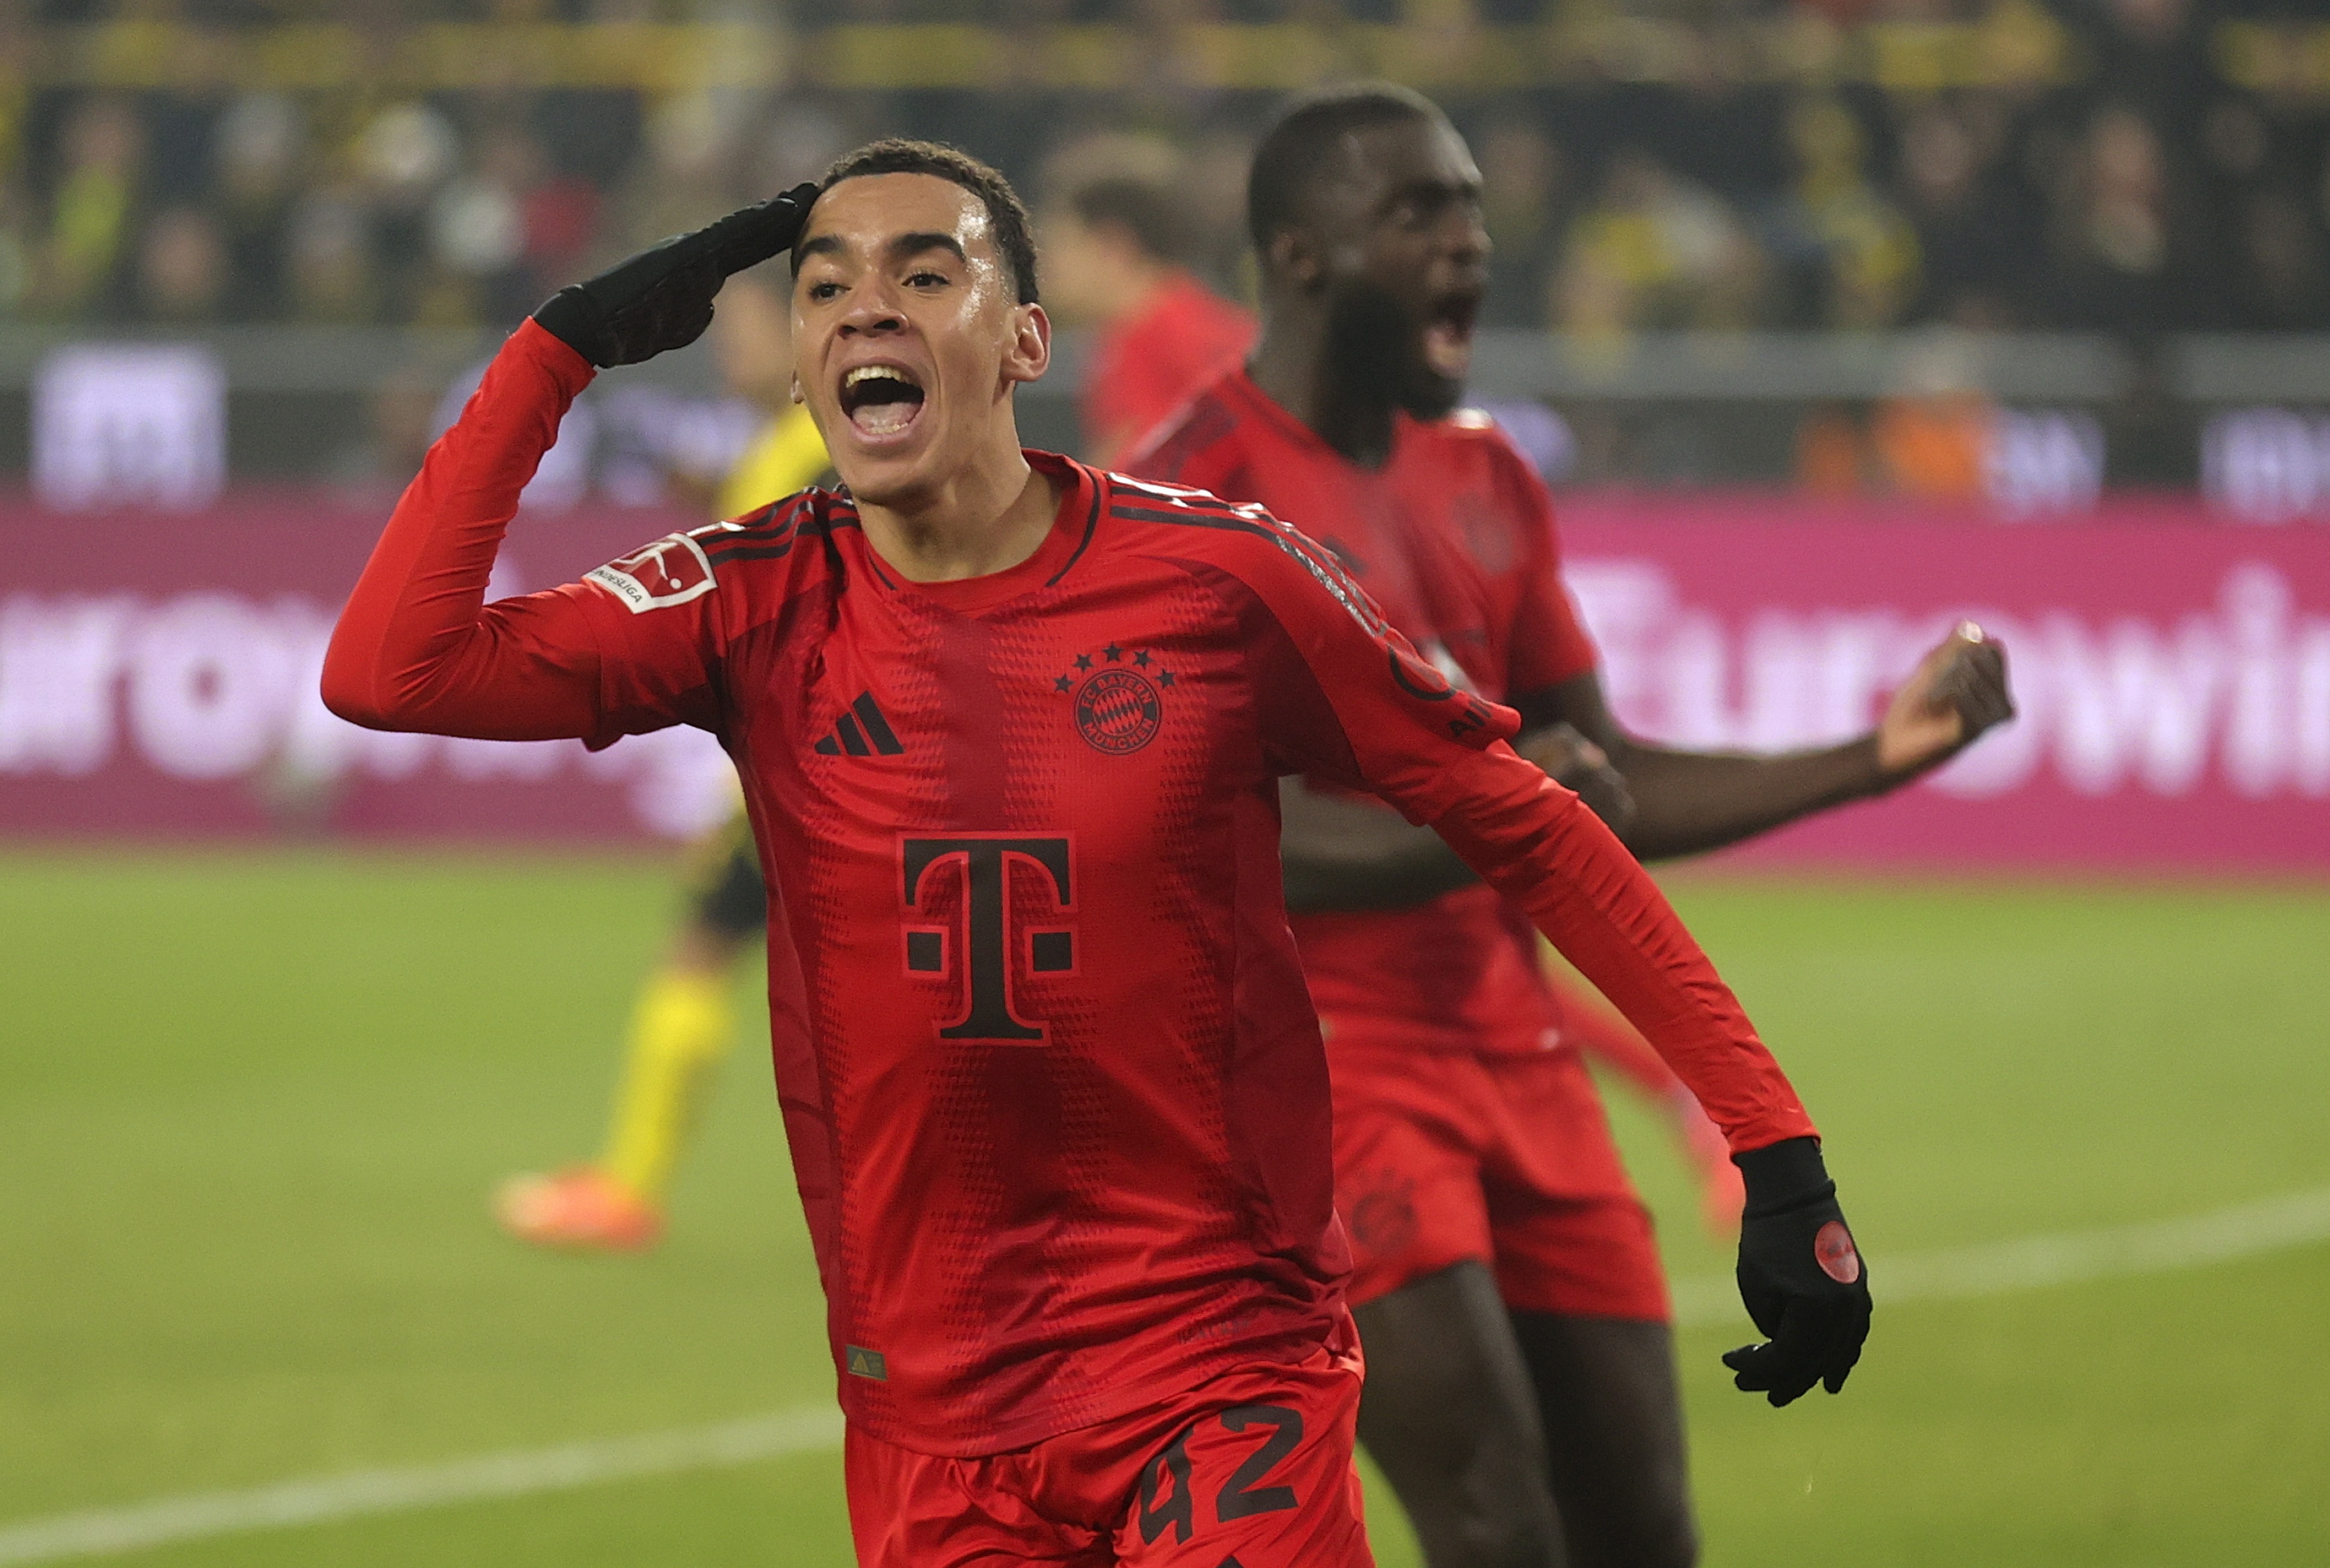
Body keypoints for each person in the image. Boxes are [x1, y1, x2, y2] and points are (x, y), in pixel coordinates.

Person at [323, 140, 1871, 1568]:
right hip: (931, 1418)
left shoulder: (1215, 580)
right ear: (800, 366)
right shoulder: (749, 600)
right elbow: (389, 672)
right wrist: (560, 348)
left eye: (926, 272)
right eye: (824, 286)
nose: (870, 305)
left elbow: (1526, 818)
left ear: (1022, 342)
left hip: (1218, 1373)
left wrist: (1773, 1147)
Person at [1127, 85, 2011, 1568]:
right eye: (1416, 214)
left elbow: (1604, 782)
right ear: (1298, 252)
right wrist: (1497, 812)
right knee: (1495, 1525)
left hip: (1522, 1064)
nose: (1466, 244)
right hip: (1325, 1081)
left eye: (1470, 209)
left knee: (1641, 1535)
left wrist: (1872, 753)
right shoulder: (1182, 497)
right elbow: (1201, 843)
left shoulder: (1482, 473)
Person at [497, 273, 832, 1251]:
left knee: (705, 952)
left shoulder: (816, 452)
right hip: (809, 754)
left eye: (748, 335)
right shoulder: (787, 446)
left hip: (811, 758)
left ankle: (629, 1187)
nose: (728, 356)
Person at [1035, 144, 1257, 462]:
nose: (1046, 265)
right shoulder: (1127, 335)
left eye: (1060, 245)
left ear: (1112, 246)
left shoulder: (1179, 336)